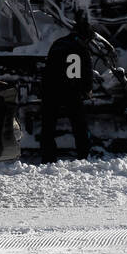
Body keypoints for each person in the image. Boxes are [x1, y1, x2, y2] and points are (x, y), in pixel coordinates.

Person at [39, 14, 94, 162]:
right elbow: (87, 73)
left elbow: (48, 68)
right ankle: (83, 154)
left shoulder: (58, 43)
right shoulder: (82, 49)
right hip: (72, 91)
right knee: (79, 125)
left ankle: (48, 156)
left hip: (52, 90)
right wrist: (87, 90)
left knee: (48, 125)